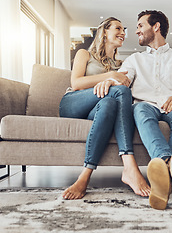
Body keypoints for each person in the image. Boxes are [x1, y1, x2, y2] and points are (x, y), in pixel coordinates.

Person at [59, 17, 151, 200]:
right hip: (74, 103)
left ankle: (84, 176)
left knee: (111, 101)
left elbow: (139, 85)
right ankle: (130, 166)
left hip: (98, 109)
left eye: (124, 30)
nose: (123, 33)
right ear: (104, 32)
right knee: (119, 90)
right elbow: (76, 83)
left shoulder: (122, 65)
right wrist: (108, 77)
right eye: (117, 28)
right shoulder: (84, 54)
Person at [119, 10, 172, 210]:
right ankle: (168, 164)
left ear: (156, 27)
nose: (136, 30)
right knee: (139, 110)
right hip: (145, 105)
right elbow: (123, 79)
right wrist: (114, 81)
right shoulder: (134, 60)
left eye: (140, 25)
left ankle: (163, 176)